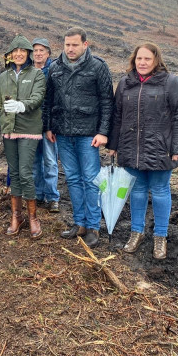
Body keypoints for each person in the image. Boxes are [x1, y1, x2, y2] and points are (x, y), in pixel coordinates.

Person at [107, 43, 178, 260]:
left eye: (147, 59)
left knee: (161, 190)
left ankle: (160, 237)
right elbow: (117, 115)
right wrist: (114, 144)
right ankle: (137, 233)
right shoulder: (126, 83)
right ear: (133, 60)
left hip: (160, 147)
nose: (142, 63)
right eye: (139, 59)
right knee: (137, 190)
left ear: (156, 61)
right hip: (130, 147)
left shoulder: (171, 82)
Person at [42, 27, 114, 248]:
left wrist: (103, 132)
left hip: (88, 134)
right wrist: (49, 126)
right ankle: (79, 222)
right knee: (72, 179)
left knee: (91, 180)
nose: (70, 49)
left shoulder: (98, 67)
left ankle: (93, 226)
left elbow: (107, 102)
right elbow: (49, 101)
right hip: (63, 133)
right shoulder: (55, 68)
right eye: (67, 44)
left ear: (85, 44)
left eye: (75, 44)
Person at [0, 35, 46, 239]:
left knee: (25, 172)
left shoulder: (37, 74)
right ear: (10, 55)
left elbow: (38, 97)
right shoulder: (4, 77)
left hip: (29, 129)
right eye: (16, 51)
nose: (19, 54)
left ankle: (33, 217)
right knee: (14, 171)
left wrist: (22, 105)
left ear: (28, 54)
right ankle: (16, 216)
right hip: (8, 129)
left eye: (23, 51)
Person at [31, 37, 61, 213]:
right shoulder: (28, 71)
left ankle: (52, 197)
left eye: (42, 50)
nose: (38, 53)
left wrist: (52, 125)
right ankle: (38, 194)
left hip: (48, 125)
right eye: (35, 50)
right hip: (31, 125)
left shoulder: (54, 71)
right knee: (35, 161)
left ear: (48, 53)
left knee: (50, 161)